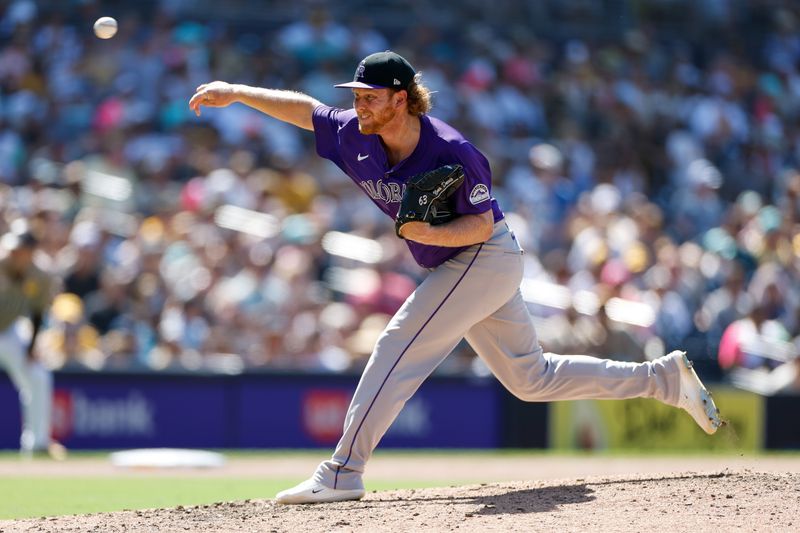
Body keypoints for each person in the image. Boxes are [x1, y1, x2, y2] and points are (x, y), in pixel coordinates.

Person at [189, 50, 722, 505]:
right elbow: (308, 111)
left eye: (370, 95)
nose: (359, 104)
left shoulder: (452, 151)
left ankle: (343, 472)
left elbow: (480, 225)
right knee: (531, 379)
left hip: (484, 255)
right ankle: (663, 379)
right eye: (356, 94)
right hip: (461, 265)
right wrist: (236, 91)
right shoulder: (355, 132)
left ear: (402, 98)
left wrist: (421, 230)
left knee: (399, 342)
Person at [0, 227, 66, 459]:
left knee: (38, 375)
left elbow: (38, 313)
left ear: (30, 252)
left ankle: (37, 443)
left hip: (8, 331)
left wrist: (31, 347)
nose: (14, 254)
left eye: (19, 250)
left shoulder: (40, 275)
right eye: (12, 249)